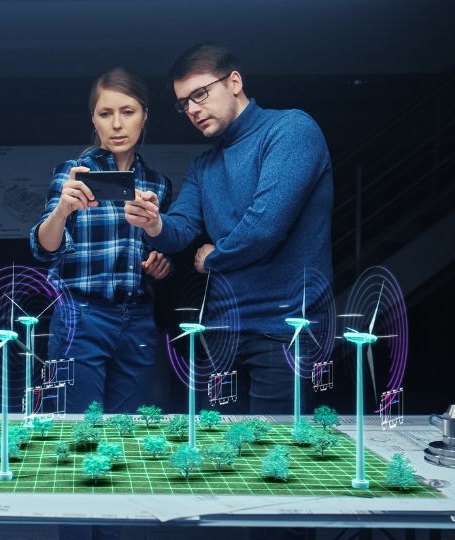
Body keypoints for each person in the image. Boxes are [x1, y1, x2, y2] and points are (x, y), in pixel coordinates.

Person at [125, 44, 333, 414]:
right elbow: (181, 228)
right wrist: (154, 223)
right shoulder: (205, 165)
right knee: (218, 460)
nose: (191, 109)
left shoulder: (291, 129)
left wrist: (214, 259)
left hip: (287, 332)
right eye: (183, 103)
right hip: (222, 332)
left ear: (234, 81)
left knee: (277, 461)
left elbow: (264, 227)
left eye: (200, 94)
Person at [30, 67, 172, 416]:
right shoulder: (72, 172)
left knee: (130, 430)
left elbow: (161, 249)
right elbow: (43, 248)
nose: (117, 124)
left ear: (144, 116)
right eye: (105, 114)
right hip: (81, 314)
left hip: (137, 317)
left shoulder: (159, 184)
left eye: (128, 112)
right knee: (79, 428)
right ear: (94, 121)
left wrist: (160, 263)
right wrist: (62, 210)